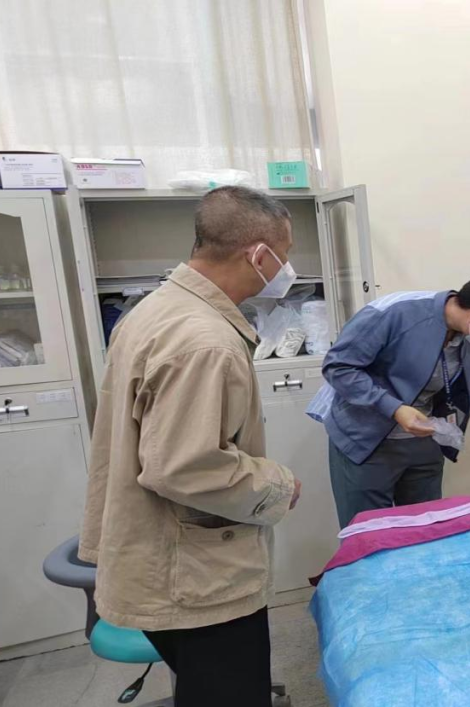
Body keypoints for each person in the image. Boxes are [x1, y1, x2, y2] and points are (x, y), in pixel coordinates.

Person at [79, 186, 303, 707]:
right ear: (259, 255)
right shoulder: (205, 341)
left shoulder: (156, 309)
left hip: (161, 559)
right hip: (194, 579)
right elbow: (185, 466)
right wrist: (279, 486)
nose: (285, 270)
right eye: (284, 256)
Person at [308, 271, 470, 527]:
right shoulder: (395, 314)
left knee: (426, 531)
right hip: (366, 441)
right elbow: (339, 368)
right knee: (369, 534)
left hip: (423, 441)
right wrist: (395, 408)